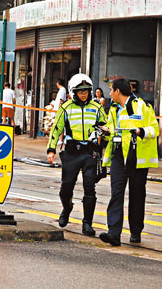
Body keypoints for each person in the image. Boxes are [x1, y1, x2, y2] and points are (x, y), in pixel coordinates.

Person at [99, 77, 160, 246]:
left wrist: (141, 131)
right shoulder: (113, 109)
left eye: (111, 90)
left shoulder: (142, 106)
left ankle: (135, 231)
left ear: (118, 91)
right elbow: (113, 127)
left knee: (137, 195)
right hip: (119, 154)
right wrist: (105, 130)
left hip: (137, 156)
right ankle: (113, 233)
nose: (110, 93)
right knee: (116, 193)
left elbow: (155, 129)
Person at [46, 73, 108, 236]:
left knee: (90, 188)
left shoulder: (97, 108)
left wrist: (104, 134)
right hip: (72, 152)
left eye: (86, 91)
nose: (84, 94)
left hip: (90, 152)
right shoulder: (66, 107)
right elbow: (56, 129)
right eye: (80, 91)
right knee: (66, 188)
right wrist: (51, 149)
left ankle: (87, 223)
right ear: (74, 92)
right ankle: (67, 208)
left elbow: (104, 127)